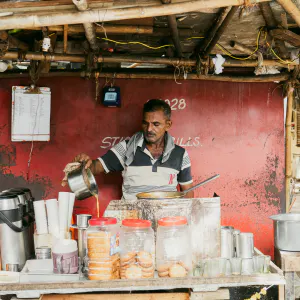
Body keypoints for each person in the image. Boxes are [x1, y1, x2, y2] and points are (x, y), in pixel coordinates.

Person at [72, 99, 194, 199]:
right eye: (146, 123)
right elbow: (96, 167)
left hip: (166, 220)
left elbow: (188, 192)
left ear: (168, 125)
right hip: (131, 219)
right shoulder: (126, 148)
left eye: (156, 124)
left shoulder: (180, 154)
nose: (149, 129)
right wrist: (86, 163)